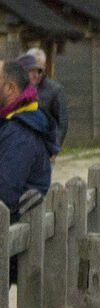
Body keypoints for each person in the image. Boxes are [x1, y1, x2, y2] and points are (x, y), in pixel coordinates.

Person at [0, 59, 55, 216]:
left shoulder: (20, 133)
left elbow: (4, 195)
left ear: (10, 88)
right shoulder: (11, 123)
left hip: (12, 234)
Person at [21, 49, 64, 156]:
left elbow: (62, 123)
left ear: (44, 67)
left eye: (38, 69)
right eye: (31, 69)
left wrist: (54, 149)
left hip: (45, 149)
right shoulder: (18, 89)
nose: (35, 73)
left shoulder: (55, 90)